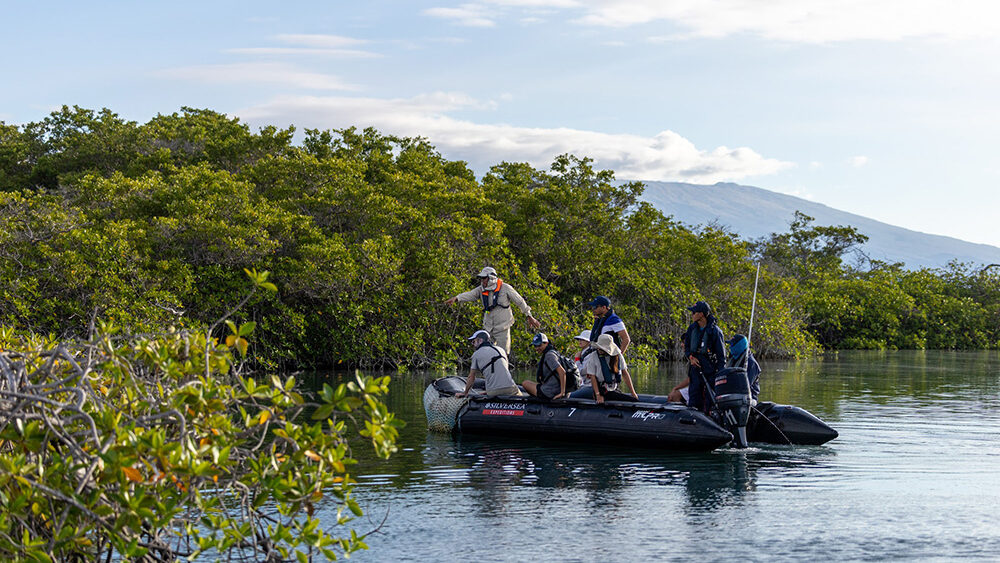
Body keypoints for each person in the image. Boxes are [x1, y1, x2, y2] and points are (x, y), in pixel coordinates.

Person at [445, 266, 541, 355]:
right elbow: (470, 294)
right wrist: (457, 298)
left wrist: (529, 315)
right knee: (486, 352)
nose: (482, 281)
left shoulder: (505, 288)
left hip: (503, 326)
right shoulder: (481, 289)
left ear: (491, 278)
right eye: (481, 279)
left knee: (503, 353)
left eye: (484, 278)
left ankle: (503, 371)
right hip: (488, 327)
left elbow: (520, 301)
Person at [670, 301, 725, 413]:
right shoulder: (692, 329)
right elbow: (688, 347)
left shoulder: (715, 332)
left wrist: (720, 375)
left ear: (701, 314)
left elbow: (721, 357)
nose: (692, 315)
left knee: (710, 399)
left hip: (710, 370)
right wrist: (690, 357)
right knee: (694, 397)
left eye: (694, 312)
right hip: (695, 369)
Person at [570, 333, 638, 404]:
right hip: (598, 389)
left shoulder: (617, 356)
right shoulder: (594, 356)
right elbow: (592, 377)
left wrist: (633, 392)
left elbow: (625, 373)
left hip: (612, 389)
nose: (599, 350)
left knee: (632, 400)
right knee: (572, 396)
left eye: (602, 348)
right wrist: (598, 395)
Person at [455, 330, 521, 398]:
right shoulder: (501, 350)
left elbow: (471, 377)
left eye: (473, 341)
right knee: (520, 395)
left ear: (480, 340)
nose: (472, 344)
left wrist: (465, 393)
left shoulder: (476, 354)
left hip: (493, 392)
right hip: (510, 388)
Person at [522, 333, 568, 401]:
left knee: (525, 383)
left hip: (550, 391)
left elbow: (562, 372)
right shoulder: (553, 352)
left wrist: (562, 392)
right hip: (553, 387)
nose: (537, 348)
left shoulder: (549, 355)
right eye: (535, 346)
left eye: (539, 345)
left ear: (546, 343)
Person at [726, 334, 761, 405]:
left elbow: (746, 385)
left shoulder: (751, 363)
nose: (730, 347)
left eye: (732, 345)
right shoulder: (733, 360)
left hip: (749, 398)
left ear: (739, 345)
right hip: (732, 396)